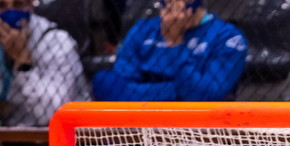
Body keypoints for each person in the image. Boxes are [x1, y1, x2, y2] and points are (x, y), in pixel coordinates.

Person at [92, 0, 246, 102]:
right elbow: (119, 90)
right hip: (137, 123)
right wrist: (175, 92)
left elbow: (204, 96)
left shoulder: (227, 37)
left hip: (194, 129)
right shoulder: (143, 29)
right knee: (104, 80)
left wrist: (175, 42)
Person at [0, 0, 89, 146]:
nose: (10, 12)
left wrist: (23, 63)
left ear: (30, 5)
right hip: (8, 138)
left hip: (59, 141)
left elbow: (52, 113)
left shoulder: (57, 41)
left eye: (18, 4)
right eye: (1, 5)